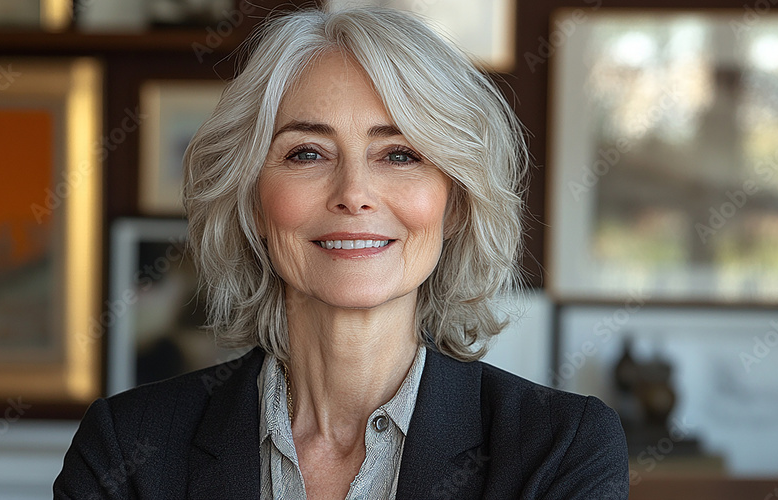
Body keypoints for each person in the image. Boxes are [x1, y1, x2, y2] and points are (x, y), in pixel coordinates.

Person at [55, 6, 628, 499]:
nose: (353, 193)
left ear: (455, 203)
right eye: (307, 153)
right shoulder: (125, 448)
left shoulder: (560, 450)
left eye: (400, 154)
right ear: (253, 199)